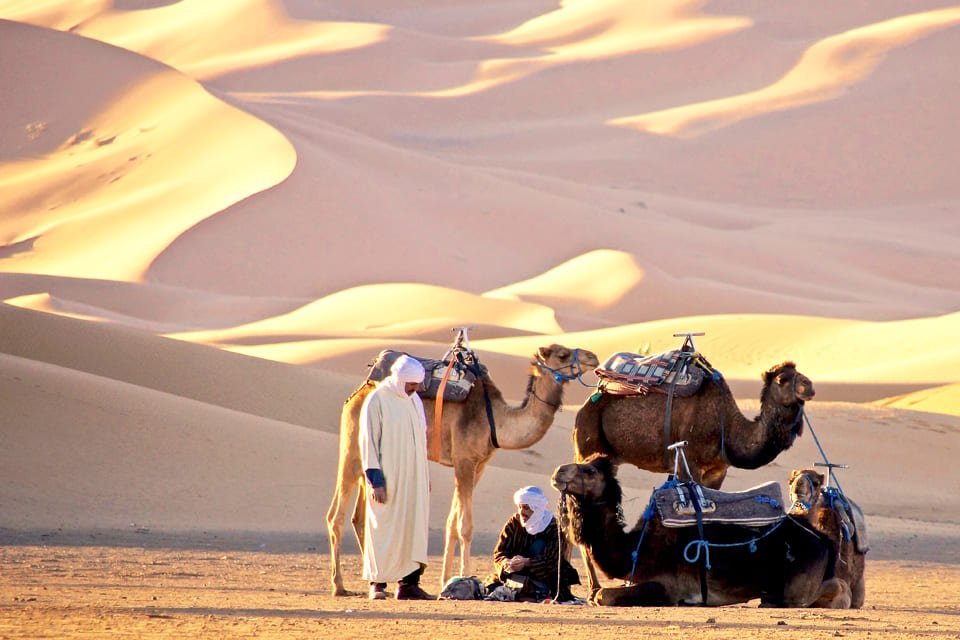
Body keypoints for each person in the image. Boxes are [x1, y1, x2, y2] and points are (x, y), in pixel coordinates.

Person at [359, 354, 432, 600]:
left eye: (418, 384)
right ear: (399, 379)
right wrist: (375, 481)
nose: (415, 388)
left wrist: (424, 475)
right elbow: (368, 442)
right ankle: (377, 583)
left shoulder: (415, 402)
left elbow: (421, 441)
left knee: (414, 527)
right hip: (387, 478)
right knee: (383, 527)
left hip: (414, 478)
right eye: (412, 383)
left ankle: (409, 584)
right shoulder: (377, 400)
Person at [484, 485, 580, 602]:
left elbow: (552, 562)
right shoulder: (514, 522)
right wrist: (506, 563)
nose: (521, 512)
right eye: (519, 507)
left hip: (545, 578)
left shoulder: (554, 528)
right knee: (491, 584)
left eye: (526, 508)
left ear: (537, 508)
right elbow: (500, 552)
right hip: (514, 575)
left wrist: (527, 563)